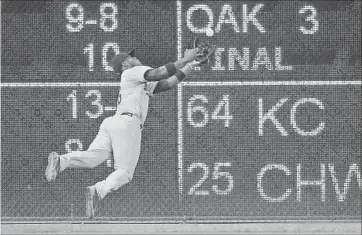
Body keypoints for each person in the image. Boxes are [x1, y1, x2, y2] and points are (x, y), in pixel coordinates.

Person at [45, 48, 201, 219]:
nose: (135, 57)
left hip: (114, 122)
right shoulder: (131, 73)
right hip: (128, 124)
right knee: (125, 173)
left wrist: (191, 65)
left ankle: (61, 161)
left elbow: (167, 84)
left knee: (93, 158)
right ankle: (98, 190)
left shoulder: (137, 80)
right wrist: (184, 59)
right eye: (131, 57)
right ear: (125, 64)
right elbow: (160, 73)